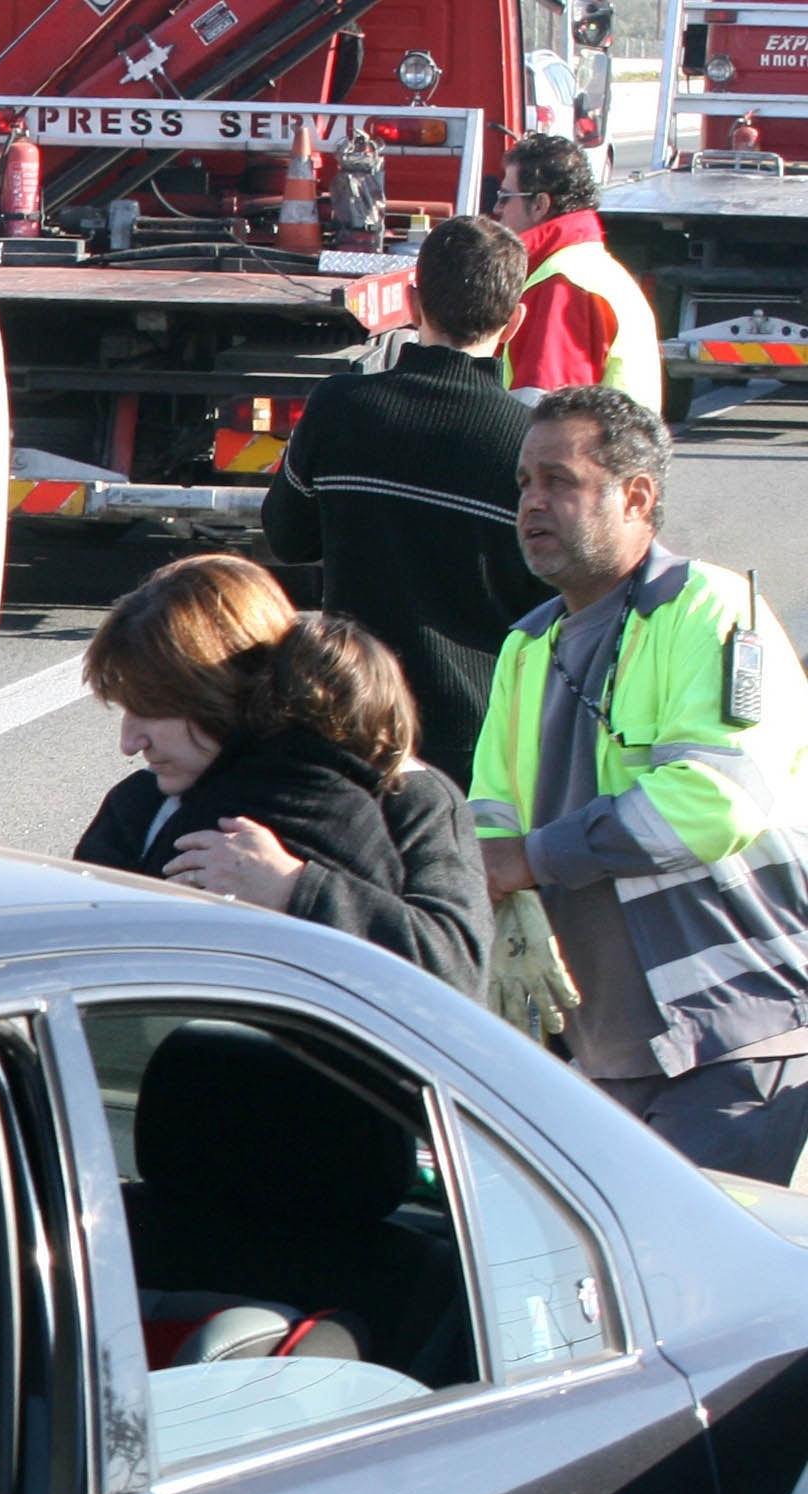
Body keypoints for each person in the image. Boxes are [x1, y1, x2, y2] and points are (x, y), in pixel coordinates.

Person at [474, 385, 808, 1179]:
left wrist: (531, 861)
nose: (533, 503)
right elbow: (489, 826)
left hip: (731, 1036)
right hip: (598, 1058)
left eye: (560, 481)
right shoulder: (527, 645)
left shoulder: (714, 610)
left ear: (637, 496)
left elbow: (713, 802)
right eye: (525, 483)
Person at [69, 569, 488, 990]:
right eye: (126, 709)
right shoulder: (141, 806)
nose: (130, 742)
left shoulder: (407, 796)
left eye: (153, 709)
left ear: (228, 690)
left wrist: (293, 887)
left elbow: (456, 973)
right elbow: (71, 964)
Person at [263, 215, 552, 791]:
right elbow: (548, 600)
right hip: (477, 740)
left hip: (349, 717)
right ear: (515, 321)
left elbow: (286, 536)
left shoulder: (342, 406)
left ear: (413, 302)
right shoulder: (531, 443)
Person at [493, 132, 664, 414]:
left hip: (579, 456)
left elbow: (546, 418)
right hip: (612, 453)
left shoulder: (559, 286)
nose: (496, 208)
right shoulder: (591, 268)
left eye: (504, 196)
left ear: (539, 205)